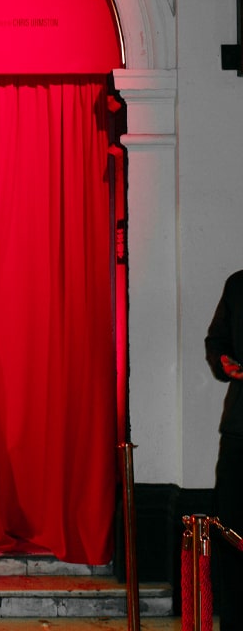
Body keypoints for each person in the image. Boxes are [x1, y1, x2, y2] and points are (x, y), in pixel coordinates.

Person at [205, 269, 243, 631]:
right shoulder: (238, 285)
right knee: (232, 530)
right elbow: (216, 340)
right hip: (239, 430)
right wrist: (223, 361)